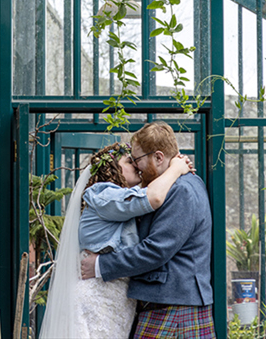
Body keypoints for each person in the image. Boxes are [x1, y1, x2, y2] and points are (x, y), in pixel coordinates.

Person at [39, 141, 193, 339]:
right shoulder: (102, 193)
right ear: (113, 168)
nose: (137, 166)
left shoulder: (122, 198)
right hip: (96, 298)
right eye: (130, 161)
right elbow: (153, 197)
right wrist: (175, 168)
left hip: (115, 298)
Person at [81, 122, 215, 338]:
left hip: (173, 308)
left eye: (137, 159)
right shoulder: (170, 185)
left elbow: (156, 251)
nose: (135, 166)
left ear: (159, 157)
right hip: (169, 304)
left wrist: (101, 265)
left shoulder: (182, 190)